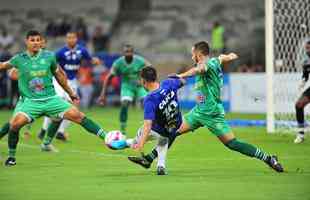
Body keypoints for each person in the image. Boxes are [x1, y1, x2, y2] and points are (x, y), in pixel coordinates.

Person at [130, 41, 284, 173]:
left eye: (193, 54)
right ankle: (149, 159)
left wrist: (180, 76)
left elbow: (199, 70)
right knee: (173, 130)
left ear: (199, 54)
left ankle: (269, 158)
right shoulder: (215, 61)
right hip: (199, 111)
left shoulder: (206, 64)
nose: (192, 57)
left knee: (232, 143)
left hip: (212, 113)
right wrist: (229, 56)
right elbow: (222, 58)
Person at [0, 30, 107, 166]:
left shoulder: (49, 56)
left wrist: (70, 92)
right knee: (14, 124)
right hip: (30, 101)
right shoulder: (19, 58)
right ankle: (11, 157)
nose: (36, 43)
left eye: (38, 40)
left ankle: (107, 137)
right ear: (26, 42)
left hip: (51, 99)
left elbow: (59, 76)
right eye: (32, 40)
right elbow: (3, 66)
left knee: (78, 115)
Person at [108, 66, 185, 175]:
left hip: (158, 130)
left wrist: (141, 143)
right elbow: (182, 81)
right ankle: (161, 166)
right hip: (175, 125)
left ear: (144, 81)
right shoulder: (168, 83)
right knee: (164, 138)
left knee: (138, 139)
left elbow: (147, 125)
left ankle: (122, 143)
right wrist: (176, 77)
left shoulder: (150, 99)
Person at [37, 31, 101, 141]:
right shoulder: (61, 52)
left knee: (73, 109)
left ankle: (60, 132)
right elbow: (50, 64)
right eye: (68, 38)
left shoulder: (82, 50)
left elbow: (90, 60)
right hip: (59, 81)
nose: (71, 40)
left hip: (72, 82)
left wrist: (94, 61)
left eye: (73, 38)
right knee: (57, 105)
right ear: (66, 39)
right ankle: (43, 130)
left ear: (76, 39)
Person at [99, 44, 151, 134]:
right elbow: (109, 77)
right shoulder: (118, 63)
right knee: (124, 104)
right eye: (126, 52)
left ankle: (149, 126)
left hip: (140, 86)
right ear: (123, 53)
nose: (128, 53)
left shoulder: (140, 60)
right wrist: (103, 94)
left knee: (146, 103)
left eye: (130, 52)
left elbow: (151, 69)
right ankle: (123, 130)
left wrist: (145, 81)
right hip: (127, 86)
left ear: (133, 52)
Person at [294, 40, 310, 143]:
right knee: (299, 104)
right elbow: (305, 76)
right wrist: (302, 82)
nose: (307, 50)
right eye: (306, 48)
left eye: (309, 48)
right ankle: (301, 133)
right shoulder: (306, 62)